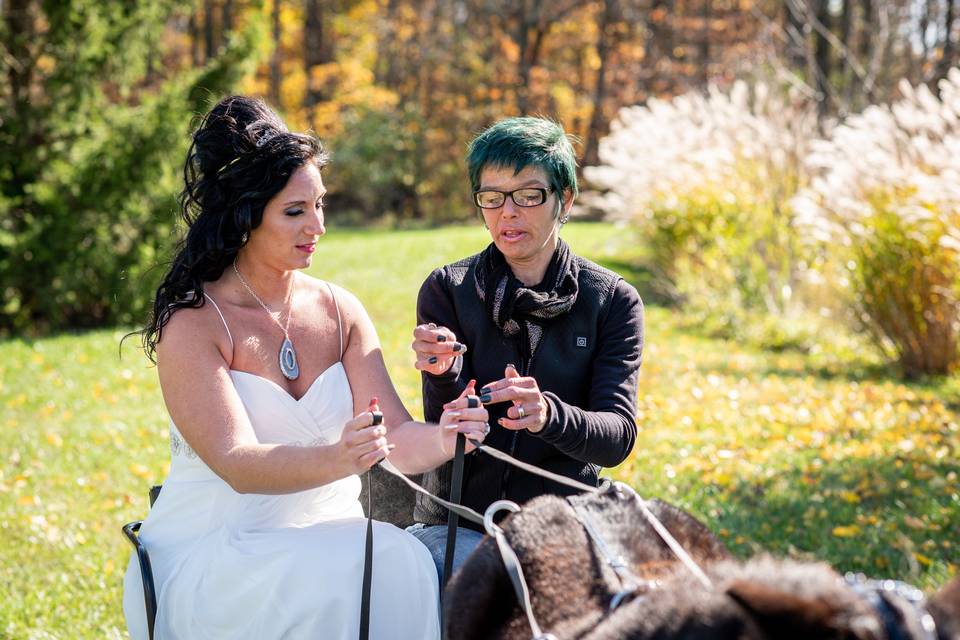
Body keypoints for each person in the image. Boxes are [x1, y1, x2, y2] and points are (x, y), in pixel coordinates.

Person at [122, 95, 489, 640]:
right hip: (218, 554)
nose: (316, 225)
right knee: (360, 571)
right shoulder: (195, 325)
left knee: (395, 560)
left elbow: (399, 438)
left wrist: (448, 435)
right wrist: (339, 457)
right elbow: (239, 465)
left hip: (332, 537)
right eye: (295, 211)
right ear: (244, 215)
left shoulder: (339, 311)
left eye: (320, 204)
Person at [407, 116, 644, 581]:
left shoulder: (612, 300)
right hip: (461, 522)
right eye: (491, 198)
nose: (507, 213)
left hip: (563, 523)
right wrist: (442, 374)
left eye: (528, 195)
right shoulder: (447, 289)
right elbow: (444, 430)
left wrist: (548, 416)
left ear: (565, 201)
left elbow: (617, 435)